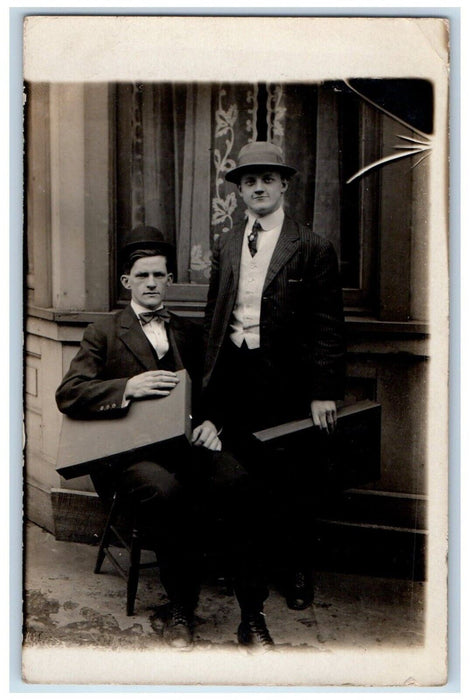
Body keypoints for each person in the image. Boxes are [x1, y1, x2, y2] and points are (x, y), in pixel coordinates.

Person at [56, 225, 274, 651]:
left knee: (242, 485)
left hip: (186, 447)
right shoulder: (103, 333)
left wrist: (213, 423)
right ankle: (180, 609)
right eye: (143, 276)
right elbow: (69, 394)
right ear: (127, 282)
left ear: (169, 279)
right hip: (129, 457)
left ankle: (252, 617)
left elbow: (212, 393)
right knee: (167, 494)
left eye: (159, 275)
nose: (152, 283)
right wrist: (126, 388)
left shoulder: (189, 332)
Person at [199, 141, 346, 610]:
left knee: (294, 479)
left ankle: (297, 569)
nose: (257, 187)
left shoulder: (312, 246)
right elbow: (214, 316)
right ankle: (247, 568)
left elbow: (328, 325)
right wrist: (209, 384)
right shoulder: (226, 242)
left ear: (284, 184)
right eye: (248, 181)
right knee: (242, 476)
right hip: (236, 374)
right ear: (239, 191)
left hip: (288, 381)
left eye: (266, 179)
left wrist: (322, 391)